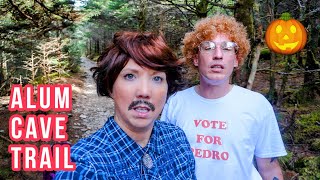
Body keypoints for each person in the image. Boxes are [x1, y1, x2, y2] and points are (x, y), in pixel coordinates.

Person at [54, 31, 196, 179]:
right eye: (130, 76)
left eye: (157, 78)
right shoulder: (84, 169)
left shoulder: (177, 138)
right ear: (110, 86)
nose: (145, 91)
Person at [160, 14, 287, 180]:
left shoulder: (257, 105)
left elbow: (269, 170)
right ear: (196, 58)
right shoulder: (176, 103)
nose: (218, 54)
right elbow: (164, 162)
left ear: (236, 59)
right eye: (208, 47)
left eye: (227, 48)